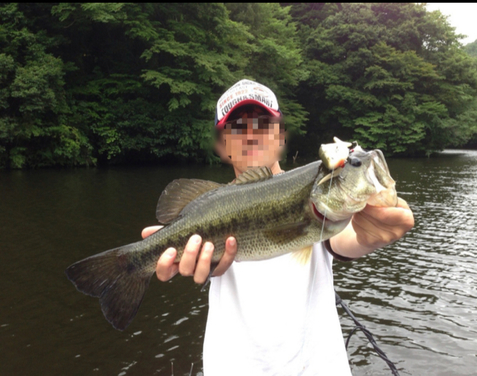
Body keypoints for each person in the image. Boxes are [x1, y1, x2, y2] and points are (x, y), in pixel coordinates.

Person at [141, 79, 414, 375]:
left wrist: (370, 235)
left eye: (262, 123)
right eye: (237, 127)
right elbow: (205, 261)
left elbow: (346, 239)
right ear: (222, 144)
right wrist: (187, 261)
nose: (250, 135)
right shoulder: (210, 206)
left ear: (280, 134)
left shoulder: (317, 199)